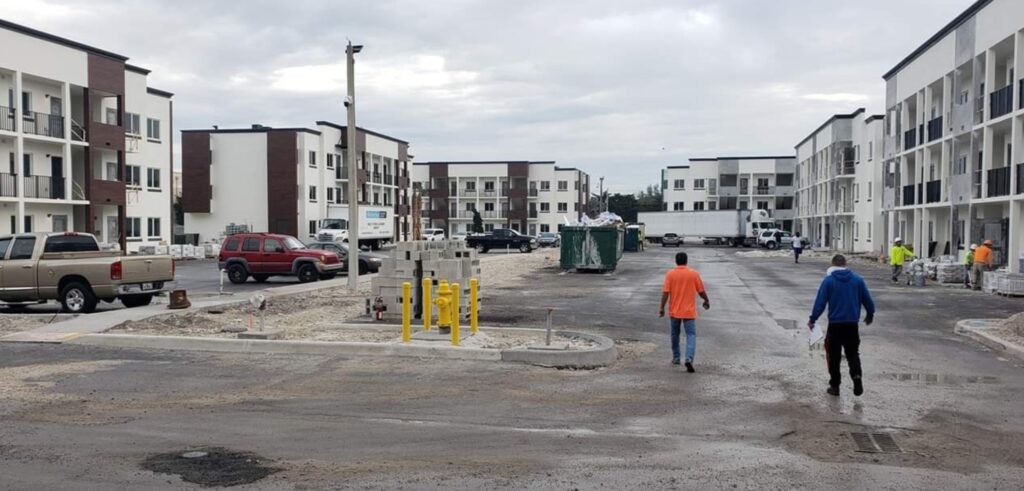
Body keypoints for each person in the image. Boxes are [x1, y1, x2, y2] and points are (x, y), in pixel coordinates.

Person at [809, 254, 875, 397]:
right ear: (845, 264)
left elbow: (820, 302)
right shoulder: (858, 280)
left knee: (834, 356)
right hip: (852, 325)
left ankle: (835, 386)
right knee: (852, 354)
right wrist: (870, 314)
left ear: (833, 264)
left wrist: (813, 319)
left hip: (835, 325)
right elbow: (867, 300)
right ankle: (856, 376)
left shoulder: (829, 281)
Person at [659, 252, 711, 373]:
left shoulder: (670, 274)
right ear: (686, 261)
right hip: (689, 312)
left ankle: (676, 358)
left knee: (674, 334)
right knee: (691, 335)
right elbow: (701, 290)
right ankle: (689, 358)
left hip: (675, 311)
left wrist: (661, 308)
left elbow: (665, 292)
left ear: (676, 261)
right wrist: (706, 300)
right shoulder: (694, 274)